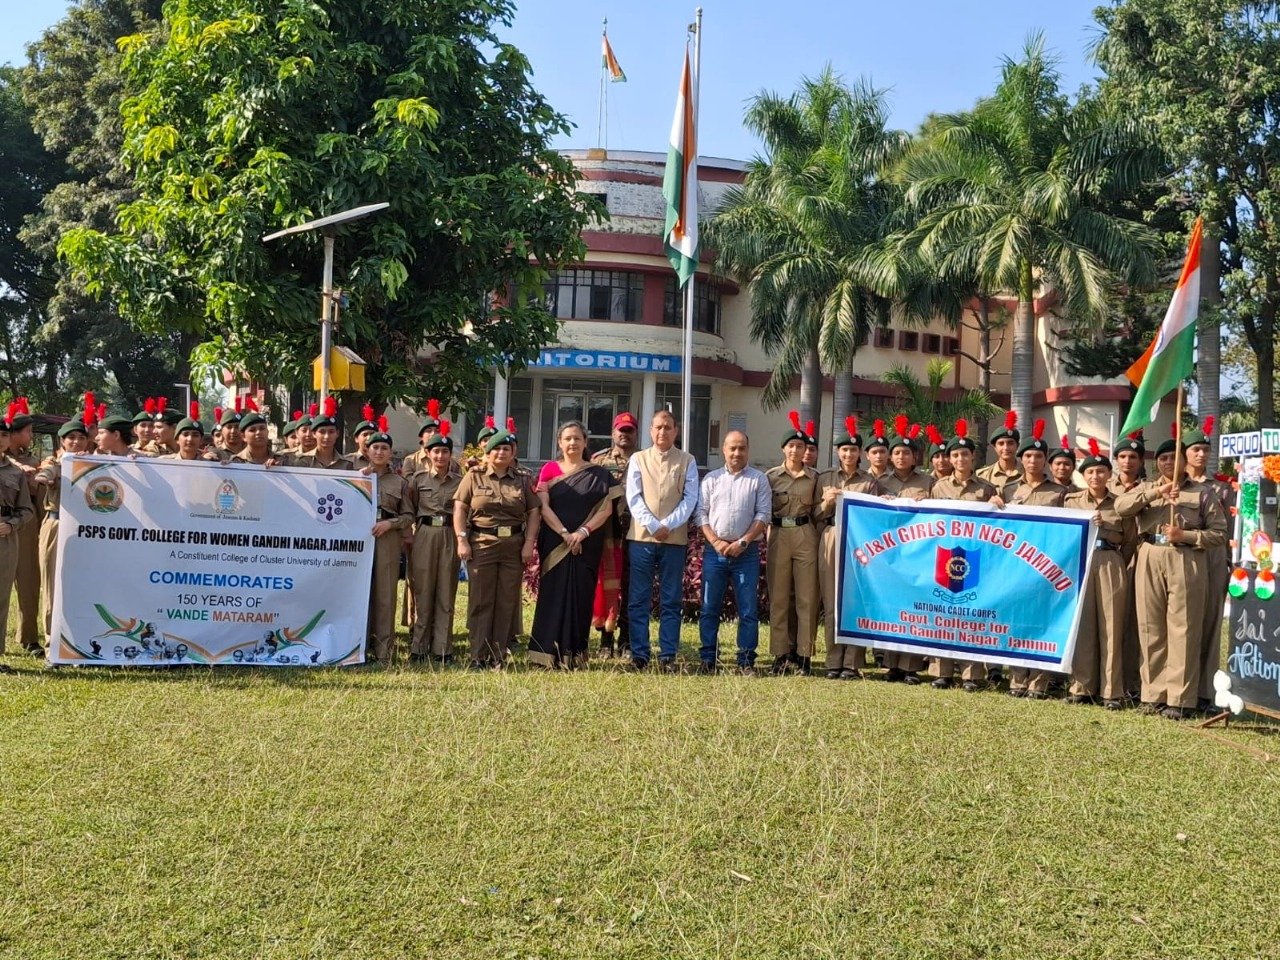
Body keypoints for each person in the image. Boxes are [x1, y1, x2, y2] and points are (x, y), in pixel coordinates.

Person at [1115, 429, 1228, 719]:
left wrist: (1186, 535)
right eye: (1163, 458)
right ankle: (1153, 694)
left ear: (1183, 461)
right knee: (1150, 627)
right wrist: (1158, 492)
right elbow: (1121, 507)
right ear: (1157, 463)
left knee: (1184, 628)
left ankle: (1180, 698)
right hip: (1150, 554)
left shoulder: (1202, 493)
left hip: (1185, 557)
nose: (1168, 462)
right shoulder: (1145, 488)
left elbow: (1219, 534)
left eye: (1173, 458)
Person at [529, 421, 620, 669]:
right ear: (559, 442)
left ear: (585, 442)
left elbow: (606, 509)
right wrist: (564, 533)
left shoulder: (600, 474)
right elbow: (543, 506)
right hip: (555, 542)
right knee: (552, 594)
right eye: (567, 438)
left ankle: (575, 654)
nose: (572, 443)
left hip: (587, 544)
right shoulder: (549, 470)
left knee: (580, 596)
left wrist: (582, 532)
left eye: (577, 438)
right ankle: (544, 654)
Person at [453, 422, 539, 669]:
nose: (501, 453)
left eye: (506, 449)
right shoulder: (474, 476)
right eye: (496, 449)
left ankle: (498, 655)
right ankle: (477, 655)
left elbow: (534, 511)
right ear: (488, 452)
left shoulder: (523, 480)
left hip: (513, 546)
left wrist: (529, 544)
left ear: (513, 453)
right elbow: (460, 508)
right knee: (481, 600)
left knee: (506, 601)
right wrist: (462, 539)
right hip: (482, 544)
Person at [928, 420, 1001, 691]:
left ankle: (972, 674)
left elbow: (996, 522)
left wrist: (996, 504)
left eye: (965, 454)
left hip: (973, 556)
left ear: (973, 457)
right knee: (943, 612)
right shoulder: (938, 487)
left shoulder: (986, 489)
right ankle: (942, 671)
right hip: (944, 555)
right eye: (955, 455)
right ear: (949, 458)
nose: (960, 459)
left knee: (972, 615)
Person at [625, 409, 698, 672]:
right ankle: (640, 654)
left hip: (673, 540)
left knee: (671, 599)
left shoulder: (687, 460)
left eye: (668, 427)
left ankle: (668, 655)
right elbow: (634, 497)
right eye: (658, 427)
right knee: (638, 599)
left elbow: (690, 498)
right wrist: (654, 525)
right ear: (650, 431)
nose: (662, 432)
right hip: (642, 538)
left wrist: (668, 524)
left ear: (676, 431)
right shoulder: (638, 459)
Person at [1064, 439, 1132, 709]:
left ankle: (1111, 691)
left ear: (1109, 474)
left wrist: (1113, 551)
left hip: (1109, 560)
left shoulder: (1120, 504)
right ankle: (1081, 686)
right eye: (1090, 472)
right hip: (1081, 563)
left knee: (1111, 626)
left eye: (1101, 471)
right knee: (1083, 625)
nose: (1096, 476)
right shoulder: (1071, 501)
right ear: (1083, 476)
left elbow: (1130, 539)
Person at [696, 430, 770, 675]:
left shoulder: (758, 479)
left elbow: (763, 514)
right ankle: (708, 659)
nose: (737, 453)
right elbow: (701, 513)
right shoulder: (711, 479)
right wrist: (715, 541)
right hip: (714, 552)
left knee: (748, 610)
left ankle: (746, 660)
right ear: (724, 450)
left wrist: (743, 542)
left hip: (746, 554)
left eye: (742, 448)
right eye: (732, 448)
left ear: (748, 450)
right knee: (709, 607)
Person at [1006, 419, 1069, 699]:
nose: (1033, 460)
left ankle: (1039, 681)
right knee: (1017, 619)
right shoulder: (1008, 490)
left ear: (1046, 461)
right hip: (1016, 566)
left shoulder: (1060, 493)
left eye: (1039, 456)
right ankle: (1017, 678)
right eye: (1028, 456)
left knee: (1044, 621)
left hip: (1047, 566)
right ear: (1021, 459)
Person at [815, 417, 880, 679]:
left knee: (855, 600)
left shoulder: (869, 481)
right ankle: (833, 660)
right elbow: (814, 515)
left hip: (859, 541)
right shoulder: (825, 478)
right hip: (832, 535)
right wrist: (826, 503)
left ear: (860, 453)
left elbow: (875, 516)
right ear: (837, 451)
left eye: (853, 450)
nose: (849, 454)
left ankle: (852, 662)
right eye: (844, 449)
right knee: (831, 600)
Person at [877, 417, 932, 683]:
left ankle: (911, 666)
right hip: (890, 551)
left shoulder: (928, 483)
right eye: (897, 452)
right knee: (892, 604)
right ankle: (891, 664)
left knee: (914, 605)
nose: (901, 456)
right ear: (890, 456)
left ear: (914, 457)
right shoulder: (879, 482)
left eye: (906, 453)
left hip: (918, 550)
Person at [1183, 417, 1233, 710]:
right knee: (1184, 623)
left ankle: (1206, 690)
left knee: (1211, 623)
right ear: (1185, 453)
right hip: (1184, 556)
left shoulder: (1221, 488)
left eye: (1205, 450)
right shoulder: (1177, 485)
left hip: (1213, 557)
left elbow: (1229, 530)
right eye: (1196, 449)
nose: (1201, 454)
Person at [765, 412, 820, 675]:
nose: (796, 450)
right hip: (778, 533)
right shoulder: (771, 477)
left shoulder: (815, 477)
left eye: (800, 446)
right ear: (783, 449)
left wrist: (828, 502)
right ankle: (780, 653)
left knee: (806, 598)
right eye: (791, 446)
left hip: (804, 533)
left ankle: (804, 654)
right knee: (778, 597)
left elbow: (818, 511)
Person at [407, 420, 461, 664]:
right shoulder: (417, 479)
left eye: (445, 451)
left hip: (449, 533)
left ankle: (442, 648)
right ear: (427, 453)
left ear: (450, 454)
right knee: (423, 590)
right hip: (425, 533)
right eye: (436, 451)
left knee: (446, 592)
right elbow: (410, 508)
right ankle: (419, 647)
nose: (441, 456)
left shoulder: (459, 481)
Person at [32, 417, 90, 638]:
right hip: (56, 525)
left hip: (83, 529)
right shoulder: (55, 462)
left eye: (81, 437)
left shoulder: (92, 463)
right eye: (71, 438)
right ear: (62, 442)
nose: (76, 442)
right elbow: (47, 471)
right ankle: (52, 641)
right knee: (52, 585)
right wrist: (45, 477)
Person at [361, 419, 413, 664]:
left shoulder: (399, 482)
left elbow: (409, 515)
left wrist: (390, 524)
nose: (379, 452)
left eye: (384, 448)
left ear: (391, 453)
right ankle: (359, 647)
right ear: (367, 450)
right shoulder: (356, 476)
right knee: (359, 591)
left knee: (386, 593)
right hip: (359, 537)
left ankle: (383, 651)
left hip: (387, 537)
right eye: (375, 447)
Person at [590, 412, 637, 657]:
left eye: (629, 430)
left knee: (630, 585)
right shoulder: (599, 460)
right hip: (607, 532)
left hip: (636, 531)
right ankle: (605, 639)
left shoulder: (644, 459)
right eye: (621, 430)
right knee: (607, 584)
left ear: (635, 433)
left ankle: (626, 639)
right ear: (613, 433)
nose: (624, 434)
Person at [5, 399, 44, 655]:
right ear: (13, 434)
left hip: (26, 523)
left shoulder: (33, 460)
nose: (31, 436)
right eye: (28, 431)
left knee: (29, 581)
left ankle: (29, 637)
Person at [1110, 431, 1146, 701]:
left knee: (1137, 622)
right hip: (1114, 560)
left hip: (1142, 557)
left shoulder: (1150, 488)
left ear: (1141, 461)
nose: (1127, 461)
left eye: (1133, 457)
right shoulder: (1103, 487)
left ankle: (1134, 682)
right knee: (1113, 621)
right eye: (1122, 456)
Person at [0, 416, 35, 670]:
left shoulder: (15, 473)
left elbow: (27, 509)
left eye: (3, 435)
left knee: (2, 597)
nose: (0, 440)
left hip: (5, 538)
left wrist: (12, 524)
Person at [286, 398, 353, 470]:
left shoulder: (347, 464)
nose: (326, 436)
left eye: (331, 432)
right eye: (322, 432)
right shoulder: (302, 462)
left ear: (337, 433)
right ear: (314, 434)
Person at [977, 410, 1022, 497]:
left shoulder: (1028, 474)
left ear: (1017, 445)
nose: (1006, 448)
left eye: (1010, 443)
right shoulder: (982, 476)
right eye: (1001, 444)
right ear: (995, 447)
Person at [401, 400, 442, 478]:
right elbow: (408, 483)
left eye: (437, 431)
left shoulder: (451, 462)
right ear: (422, 436)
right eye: (429, 431)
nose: (433, 434)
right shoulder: (411, 460)